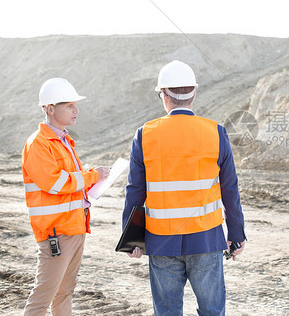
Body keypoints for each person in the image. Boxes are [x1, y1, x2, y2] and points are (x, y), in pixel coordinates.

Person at [122, 60, 246, 316]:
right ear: (194, 94)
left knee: (166, 312)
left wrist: (131, 239)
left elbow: (135, 192)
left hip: (161, 242)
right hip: (206, 240)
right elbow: (230, 190)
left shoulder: (145, 135)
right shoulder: (216, 132)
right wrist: (236, 233)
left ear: (163, 96)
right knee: (212, 311)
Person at [22, 77, 110, 316]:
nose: (76, 110)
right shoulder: (39, 144)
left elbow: (71, 183)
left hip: (74, 228)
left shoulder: (63, 141)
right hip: (56, 233)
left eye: (75, 105)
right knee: (42, 298)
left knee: (64, 293)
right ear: (50, 109)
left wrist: (91, 186)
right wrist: (93, 175)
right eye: (69, 105)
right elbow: (55, 183)